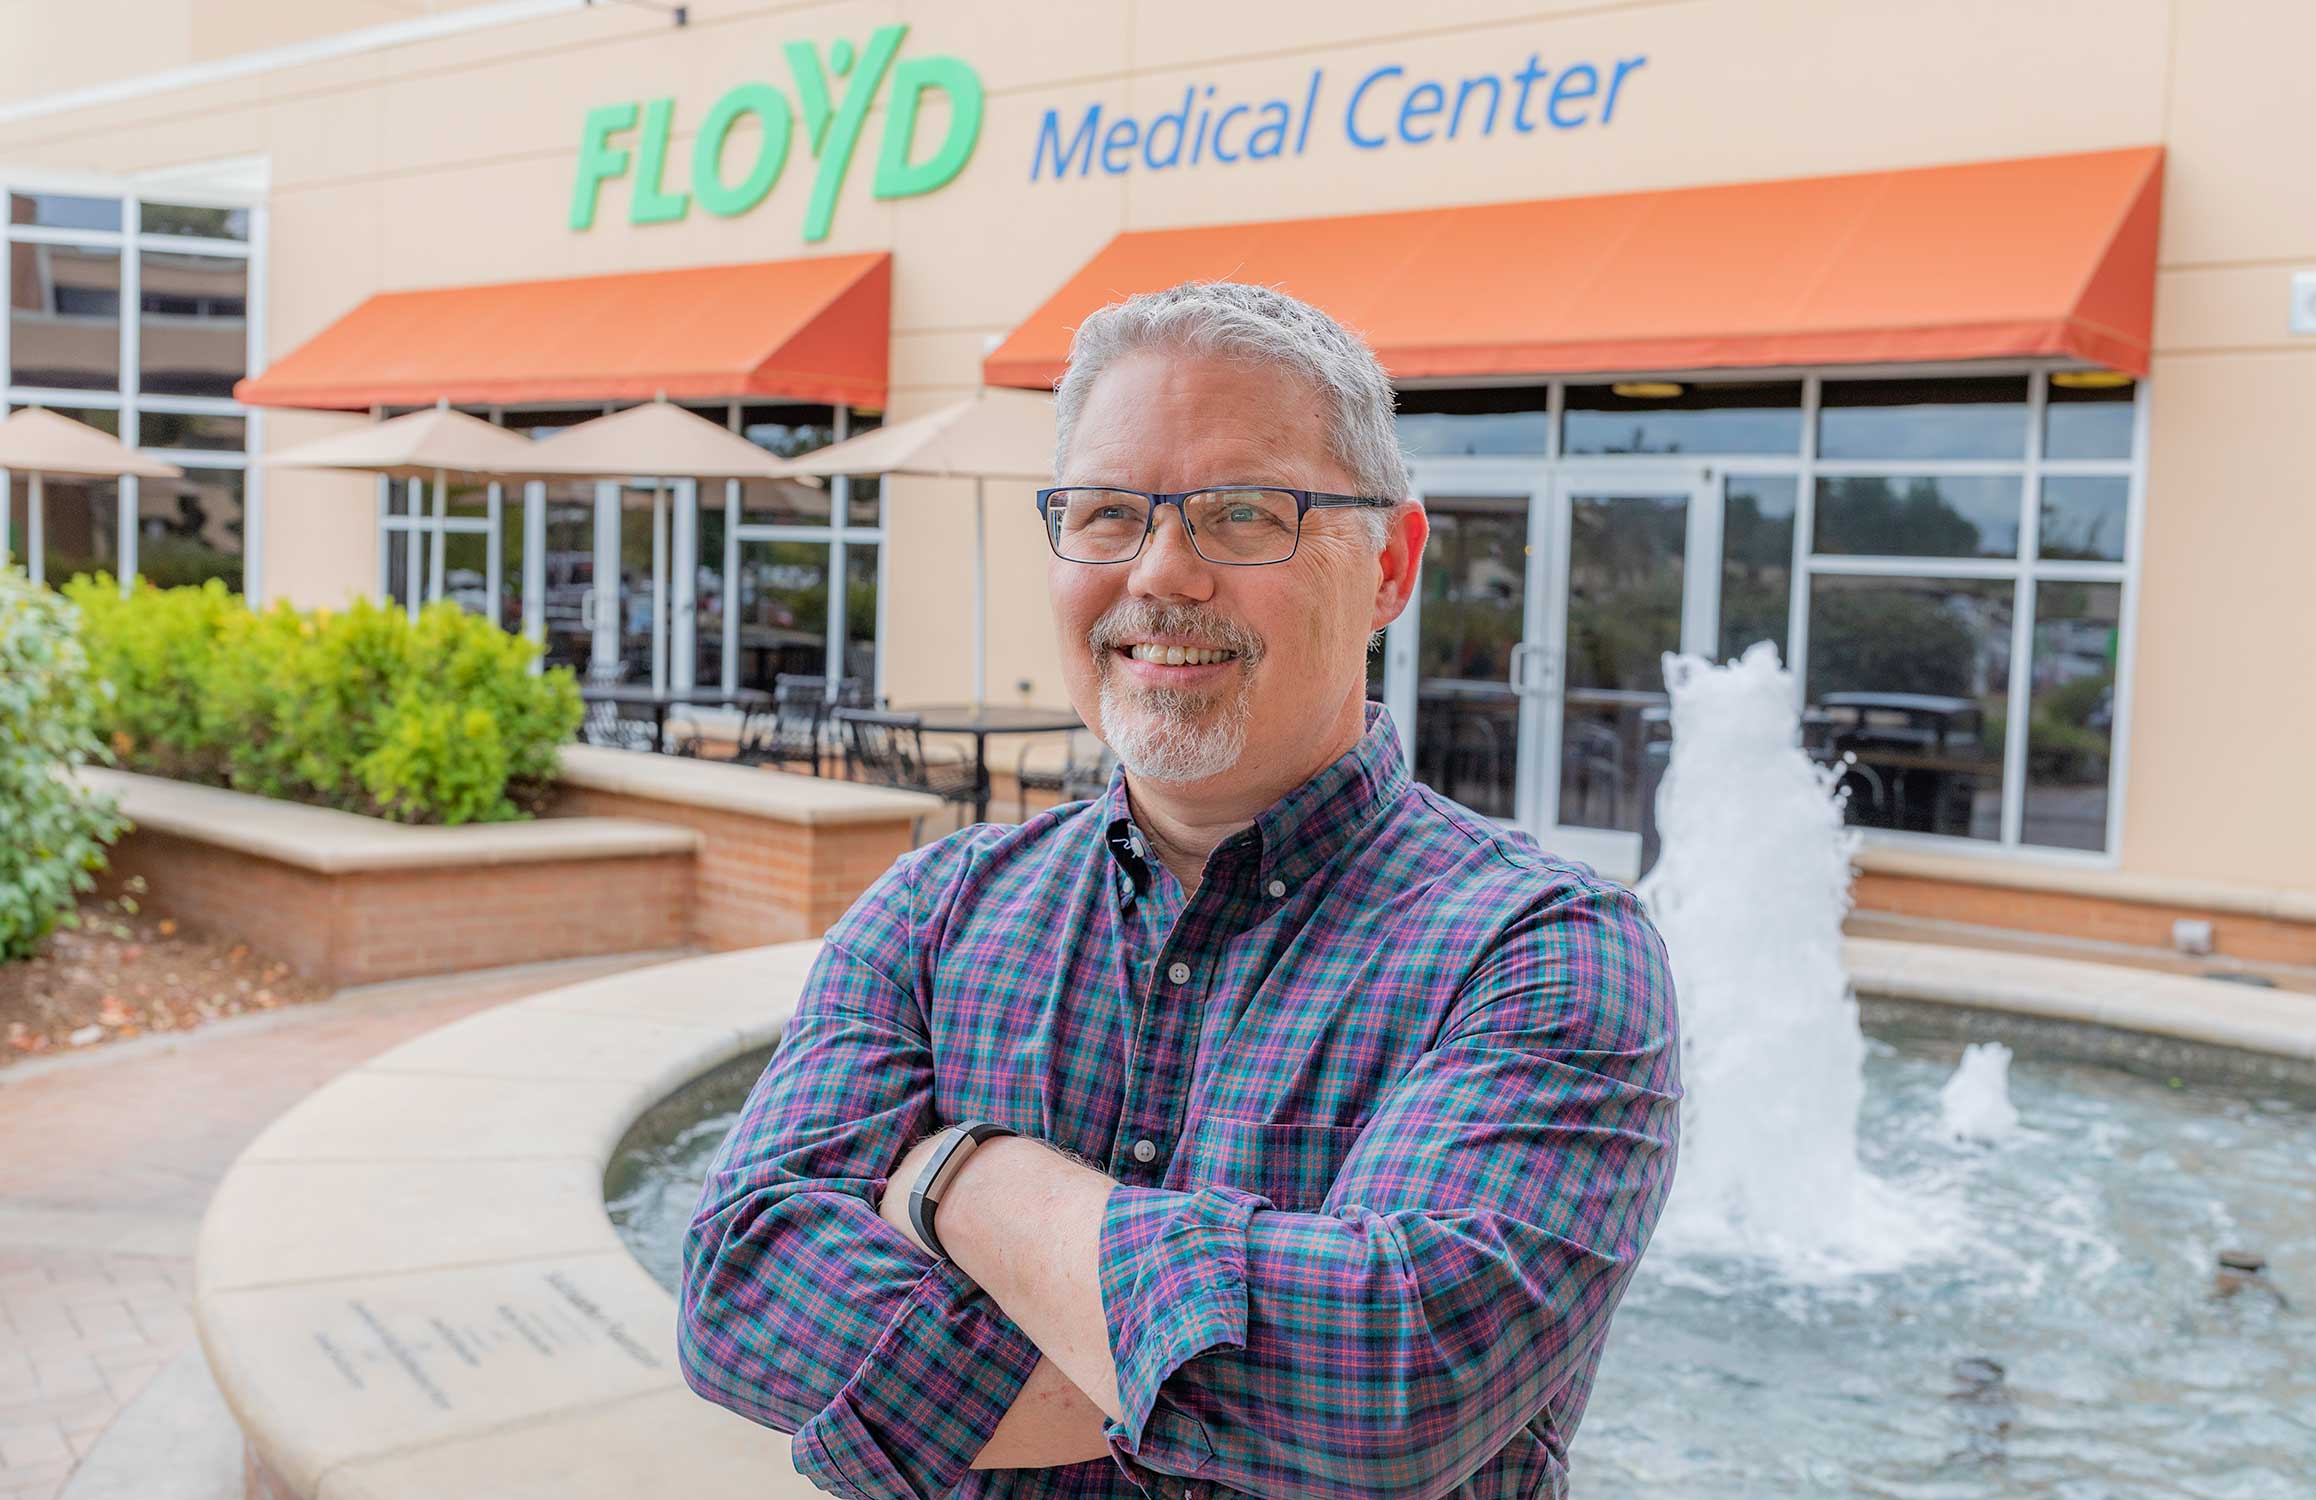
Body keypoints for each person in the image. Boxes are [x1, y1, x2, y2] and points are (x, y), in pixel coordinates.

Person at [679, 281, 1681, 1499]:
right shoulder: (931, 913)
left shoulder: (1542, 948)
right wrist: (1217, 1367)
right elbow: (738, 1293)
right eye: (1105, 513)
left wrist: (967, 1181)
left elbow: (1393, 1386)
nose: (1161, 573)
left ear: (1389, 567)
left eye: (1243, 514)